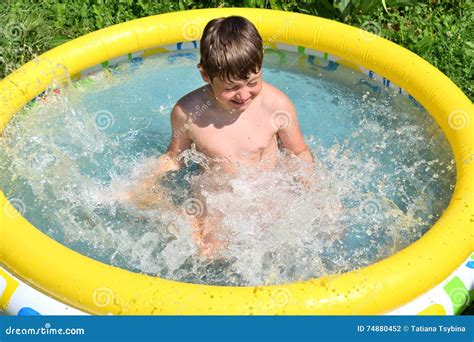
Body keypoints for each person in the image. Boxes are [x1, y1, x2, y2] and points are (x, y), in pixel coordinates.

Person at [125, 16, 314, 258]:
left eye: (252, 82)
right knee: (204, 253)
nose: (243, 95)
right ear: (205, 74)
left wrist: (316, 192)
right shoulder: (188, 113)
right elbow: (175, 158)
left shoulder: (276, 106)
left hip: (267, 192)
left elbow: (298, 153)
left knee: (287, 245)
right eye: (230, 88)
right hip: (216, 200)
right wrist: (144, 182)